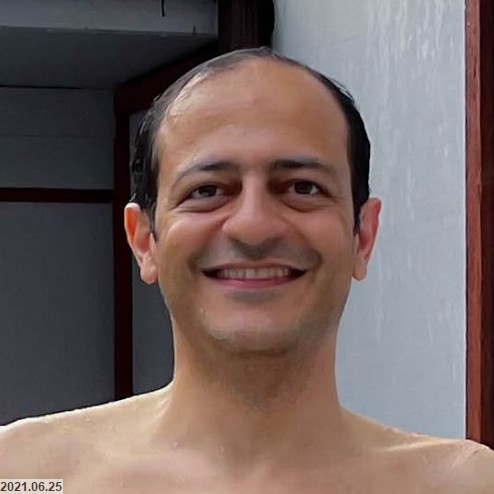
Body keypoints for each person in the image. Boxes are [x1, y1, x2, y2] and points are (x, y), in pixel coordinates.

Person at [1, 48, 493, 492]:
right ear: (144, 240)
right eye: (207, 191)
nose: (254, 226)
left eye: (301, 187)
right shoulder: (24, 474)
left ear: (362, 236)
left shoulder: (465, 485)